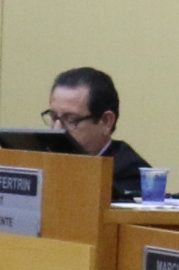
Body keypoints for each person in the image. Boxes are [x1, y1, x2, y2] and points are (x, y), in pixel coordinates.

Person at [45, 67, 147, 198]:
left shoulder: (129, 174)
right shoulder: (43, 162)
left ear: (106, 122)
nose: (57, 130)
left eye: (71, 119)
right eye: (54, 117)